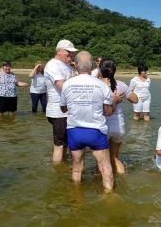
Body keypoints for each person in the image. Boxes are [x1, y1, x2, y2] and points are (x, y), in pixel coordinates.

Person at [60, 51, 121, 192]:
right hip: (96, 131)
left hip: (75, 130)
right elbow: (107, 112)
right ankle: (109, 197)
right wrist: (114, 102)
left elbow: (63, 109)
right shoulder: (101, 85)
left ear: (75, 66)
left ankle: (76, 200)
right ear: (93, 65)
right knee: (105, 167)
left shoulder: (67, 84)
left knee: (76, 169)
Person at [100, 59, 138, 174]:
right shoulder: (121, 85)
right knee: (115, 157)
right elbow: (135, 100)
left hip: (102, 125)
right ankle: (123, 180)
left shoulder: (97, 85)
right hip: (118, 126)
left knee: (102, 160)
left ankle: (102, 184)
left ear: (100, 70)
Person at [44, 39, 78, 162]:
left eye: (72, 53)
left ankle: (62, 168)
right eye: (68, 52)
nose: (71, 55)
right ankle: (58, 174)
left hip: (68, 111)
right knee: (59, 145)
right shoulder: (53, 65)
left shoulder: (67, 65)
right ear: (59, 51)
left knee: (65, 144)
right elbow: (63, 87)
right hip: (59, 112)